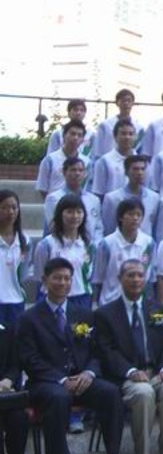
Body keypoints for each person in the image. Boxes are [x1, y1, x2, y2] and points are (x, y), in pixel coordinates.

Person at [17, 258, 124, 454]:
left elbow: (97, 352)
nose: (63, 283)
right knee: (58, 397)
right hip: (47, 382)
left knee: (110, 392)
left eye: (67, 278)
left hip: (82, 378)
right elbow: (29, 359)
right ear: (44, 282)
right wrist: (61, 379)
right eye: (57, 278)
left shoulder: (83, 314)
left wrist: (88, 373)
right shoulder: (29, 318)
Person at [94, 259, 163, 454]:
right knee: (143, 395)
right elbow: (107, 352)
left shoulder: (158, 309)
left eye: (140, 276)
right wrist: (130, 371)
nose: (136, 280)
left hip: (156, 371)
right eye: (130, 275)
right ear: (119, 279)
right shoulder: (106, 314)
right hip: (128, 376)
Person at [0, 303, 41, 454]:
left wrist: (8, 380)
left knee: (19, 417)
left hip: (5, 393)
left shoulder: (6, 330)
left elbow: (15, 364)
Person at [33, 194, 94, 310]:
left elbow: (89, 275)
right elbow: (39, 277)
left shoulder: (89, 245)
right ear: (60, 214)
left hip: (81, 298)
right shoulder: (46, 245)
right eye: (69, 212)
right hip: (52, 299)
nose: (75, 216)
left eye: (79, 212)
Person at [92, 198, 156, 306]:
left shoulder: (149, 243)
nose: (135, 218)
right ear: (121, 217)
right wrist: (95, 303)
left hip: (139, 304)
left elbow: (150, 278)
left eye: (138, 215)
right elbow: (98, 278)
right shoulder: (107, 244)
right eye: (130, 214)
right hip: (111, 302)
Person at [43, 157, 103, 244]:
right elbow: (54, 225)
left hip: (90, 248)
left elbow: (98, 227)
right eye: (73, 170)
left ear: (85, 174)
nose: (77, 173)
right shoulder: (54, 198)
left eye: (81, 170)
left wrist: (95, 244)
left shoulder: (94, 200)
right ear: (64, 173)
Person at [101, 155, 159, 237]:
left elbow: (154, 227)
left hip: (144, 246)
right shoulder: (112, 198)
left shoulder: (154, 197)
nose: (140, 173)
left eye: (142, 169)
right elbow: (108, 229)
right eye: (135, 169)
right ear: (126, 172)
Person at [0, 190, 31, 327]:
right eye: (5, 207)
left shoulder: (25, 240)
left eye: (14, 207)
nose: (10, 212)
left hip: (16, 302)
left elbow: (24, 273)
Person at [36, 119, 89, 198]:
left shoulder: (87, 162)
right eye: (72, 134)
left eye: (79, 135)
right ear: (64, 136)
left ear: (82, 140)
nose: (75, 138)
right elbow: (42, 188)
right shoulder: (49, 160)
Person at [91, 119, 138, 199]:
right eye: (123, 134)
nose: (127, 137)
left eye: (130, 134)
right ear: (115, 136)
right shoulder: (104, 162)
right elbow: (98, 193)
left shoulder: (141, 162)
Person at [91, 88, 142, 160]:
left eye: (129, 101)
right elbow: (97, 150)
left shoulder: (139, 128)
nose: (126, 103)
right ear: (117, 103)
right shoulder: (105, 125)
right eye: (123, 101)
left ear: (133, 103)